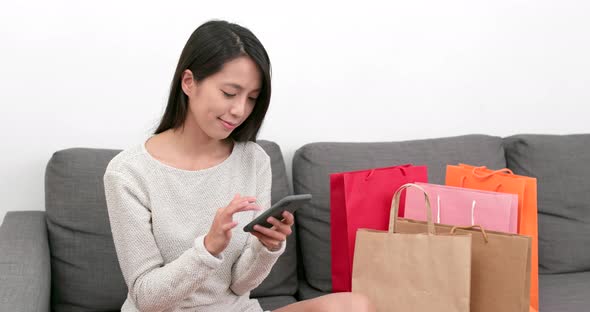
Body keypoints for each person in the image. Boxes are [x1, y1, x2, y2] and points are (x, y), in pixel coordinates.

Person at [104, 20, 375, 312]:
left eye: (252, 99)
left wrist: (266, 247)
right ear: (189, 82)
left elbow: (240, 285)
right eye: (230, 93)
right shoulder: (128, 173)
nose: (240, 110)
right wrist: (208, 248)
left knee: (354, 305)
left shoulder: (253, 160)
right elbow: (147, 298)